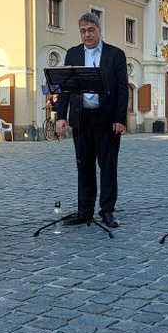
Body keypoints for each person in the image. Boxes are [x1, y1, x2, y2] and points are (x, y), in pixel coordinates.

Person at [55, 13, 128, 229]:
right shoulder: (73, 54)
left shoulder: (115, 55)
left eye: (91, 30)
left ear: (99, 29)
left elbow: (123, 89)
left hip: (107, 120)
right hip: (82, 118)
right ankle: (84, 211)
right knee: (84, 166)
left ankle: (107, 210)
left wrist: (120, 118)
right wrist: (61, 116)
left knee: (107, 166)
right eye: (83, 31)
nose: (87, 35)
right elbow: (65, 88)